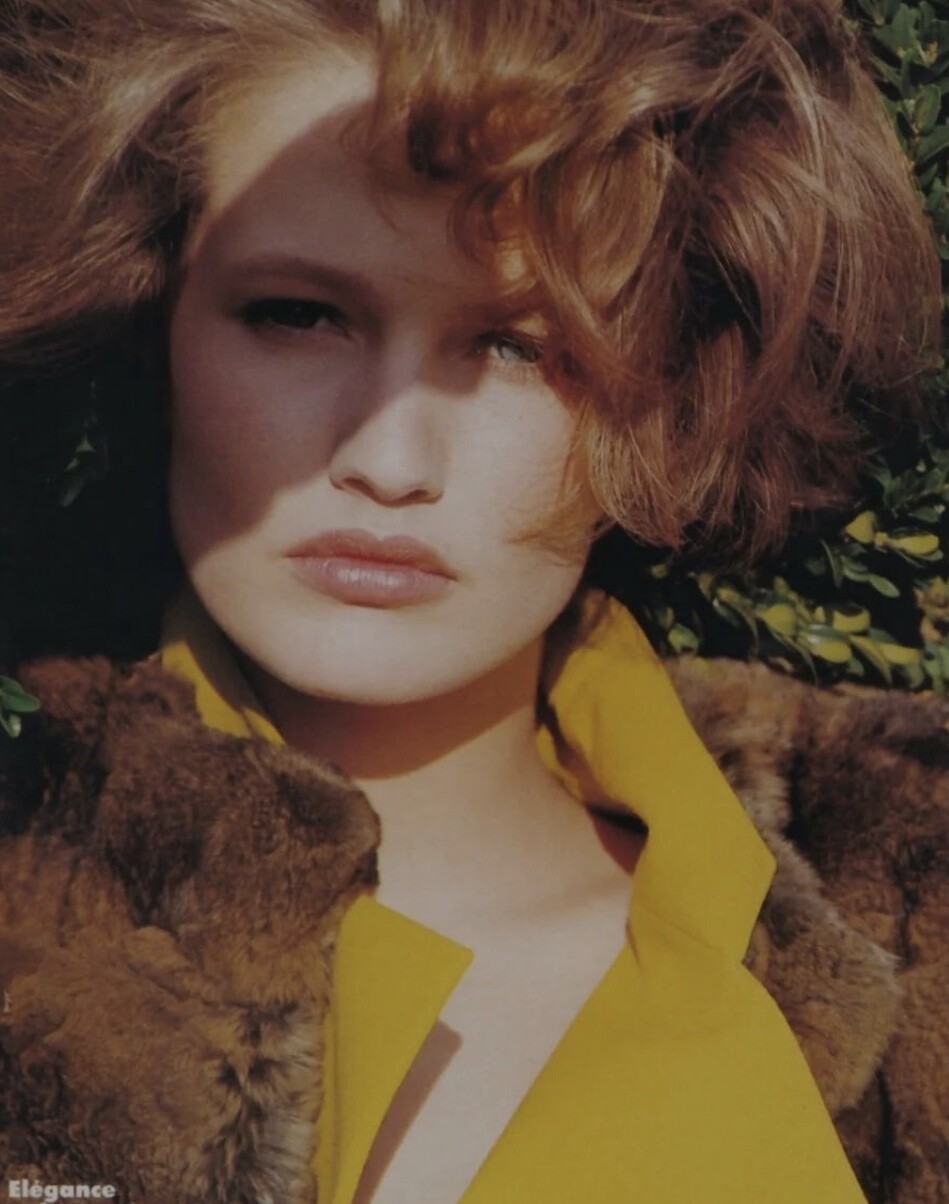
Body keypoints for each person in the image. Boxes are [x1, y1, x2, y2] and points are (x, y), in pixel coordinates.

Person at [0, 1, 942, 1202]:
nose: (389, 459)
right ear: (151, 323)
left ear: (672, 397)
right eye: (297, 314)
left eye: (520, 346)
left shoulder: (912, 920)